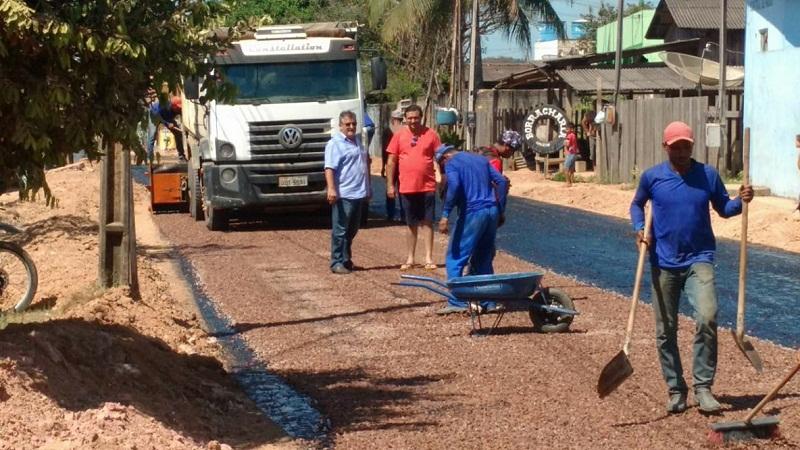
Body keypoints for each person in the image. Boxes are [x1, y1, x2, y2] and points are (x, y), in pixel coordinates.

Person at [629, 121, 754, 414]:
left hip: (700, 258)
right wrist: (639, 229)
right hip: (663, 261)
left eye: (687, 145)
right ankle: (676, 389)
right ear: (666, 147)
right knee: (665, 329)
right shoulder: (652, 178)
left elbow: (724, 208)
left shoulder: (707, 175)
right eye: (676, 146)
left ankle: (703, 387)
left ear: (692, 146)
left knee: (708, 317)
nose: (682, 151)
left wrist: (742, 201)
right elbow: (637, 205)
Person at [435, 144, 509, 315]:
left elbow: (454, 186)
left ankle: (457, 302)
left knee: (455, 256)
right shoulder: (481, 160)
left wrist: (445, 214)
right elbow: (502, 181)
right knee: (483, 258)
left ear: (444, 158)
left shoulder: (452, 163)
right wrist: (501, 208)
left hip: (473, 213)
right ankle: (488, 302)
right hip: (491, 211)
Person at [386, 105, 442, 270]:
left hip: (427, 186)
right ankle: (410, 258)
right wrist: (390, 185)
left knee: (428, 222)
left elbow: (439, 157)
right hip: (406, 187)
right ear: (405, 118)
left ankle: (429, 258)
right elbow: (391, 161)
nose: (413, 121)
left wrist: (441, 178)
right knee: (410, 223)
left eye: (415, 118)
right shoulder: (399, 136)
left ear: (421, 117)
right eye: (409, 118)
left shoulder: (431, 135)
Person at [324, 111, 371, 275]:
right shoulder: (334, 144)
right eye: (347, 124)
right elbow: (329, 168)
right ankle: (336, 261)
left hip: (359, 192)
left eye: (353, 124)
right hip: (343, 193)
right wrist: (331, 188)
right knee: (340, 230)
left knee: (352, 229)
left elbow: (365, 164)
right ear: (340, 125)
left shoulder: (358, 141)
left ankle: (346, 259)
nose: (351, 127)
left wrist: (368, 188)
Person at [381, 109, 405, 221]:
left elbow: (384, 150)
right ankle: (404, 215)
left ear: (392, 119)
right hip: (403, 164)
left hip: (391, 163)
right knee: (403, 189)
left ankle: (391, 214)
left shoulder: (387, 131)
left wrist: (383, 166)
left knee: (390, 187)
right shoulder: (406, 131)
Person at [148, 95, 185, 161]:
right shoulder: (163, 106)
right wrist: (167, 124)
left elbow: (183, 116)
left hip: (167, 117)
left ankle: (181, 156)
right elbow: (158, 116)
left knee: (178, 133)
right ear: (173, 106)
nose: (179, 109)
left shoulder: (178, 109)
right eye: (178, 108)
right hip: (155, 115)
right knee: (152, 136)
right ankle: (150, 159)